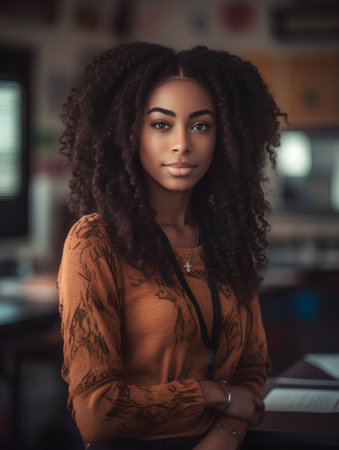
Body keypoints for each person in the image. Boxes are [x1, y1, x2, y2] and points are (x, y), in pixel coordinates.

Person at [58, 42, 283, 450]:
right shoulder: (94, 242)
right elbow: (97, 413)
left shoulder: (229, 240)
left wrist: (226, 433)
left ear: (224, 136)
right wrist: (216, 394)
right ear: (128, 132)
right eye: (161, 124)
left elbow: (253, 369)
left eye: (200, 125)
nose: (183, 143)